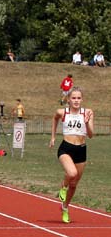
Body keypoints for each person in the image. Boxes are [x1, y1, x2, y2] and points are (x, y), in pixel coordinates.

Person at [50, 87, 94, 223]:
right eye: (73, 98)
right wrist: (53, 137)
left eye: (79, 98)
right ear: (68, 100)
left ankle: (65, 207)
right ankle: (63, 187)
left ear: (82, 99)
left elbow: (91, 135)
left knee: (74, 185)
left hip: (81, 149)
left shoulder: (87, 112)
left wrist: (87, 123)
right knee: (72, 173)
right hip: (66, 148)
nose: (76, 100)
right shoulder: (62, 112)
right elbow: (55, 119)